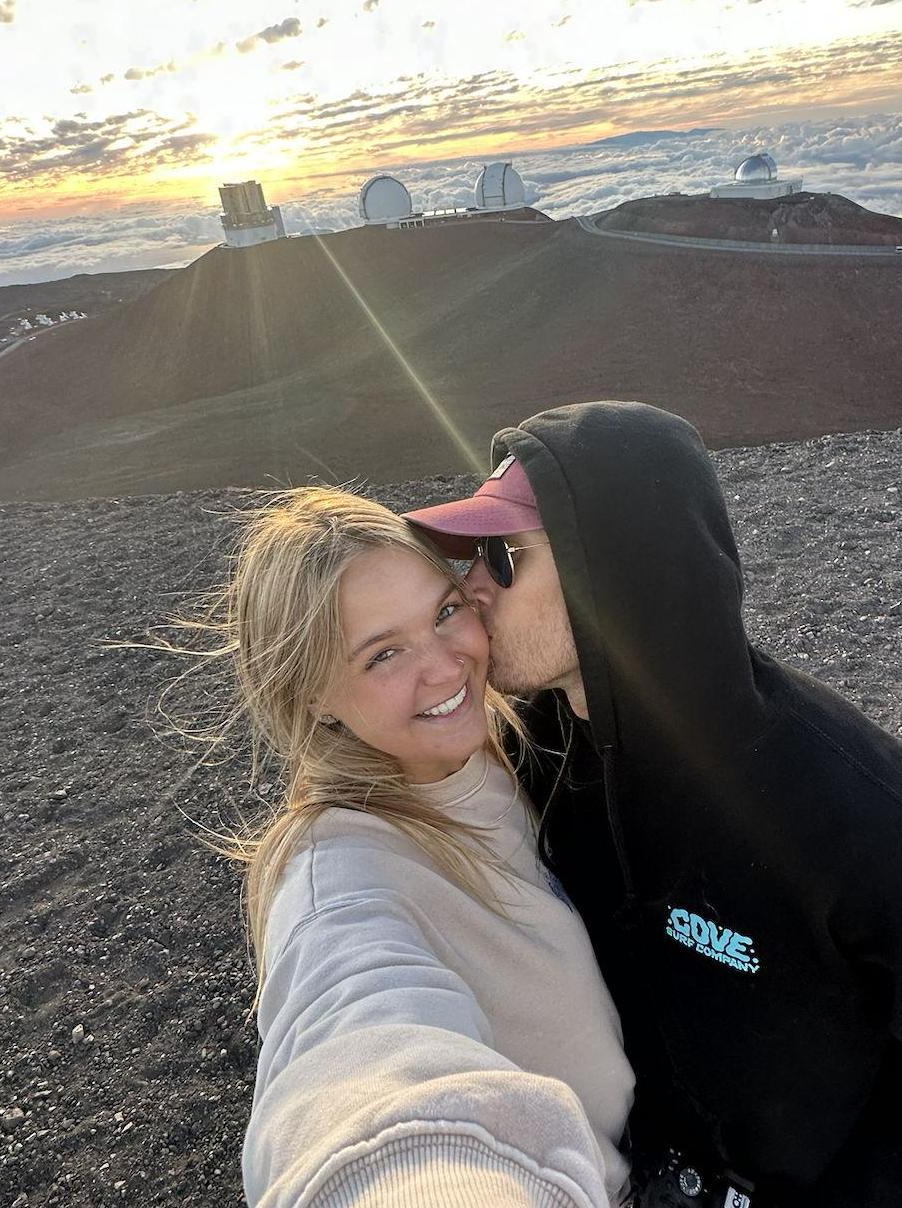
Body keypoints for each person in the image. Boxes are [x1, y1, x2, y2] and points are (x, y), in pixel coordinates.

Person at [403, 400, 902, 1208]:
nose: (470, 587)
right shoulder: (531, 753)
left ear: (616, 572)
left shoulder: (861, 816)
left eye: (504, 557)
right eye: (470, 555)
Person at [173, 487, 635, 1206]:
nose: (446, 667)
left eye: (446, 612)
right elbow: (355, 1054)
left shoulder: (509, 751)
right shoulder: (339, 880)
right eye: (383, 654)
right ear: (312, 696)